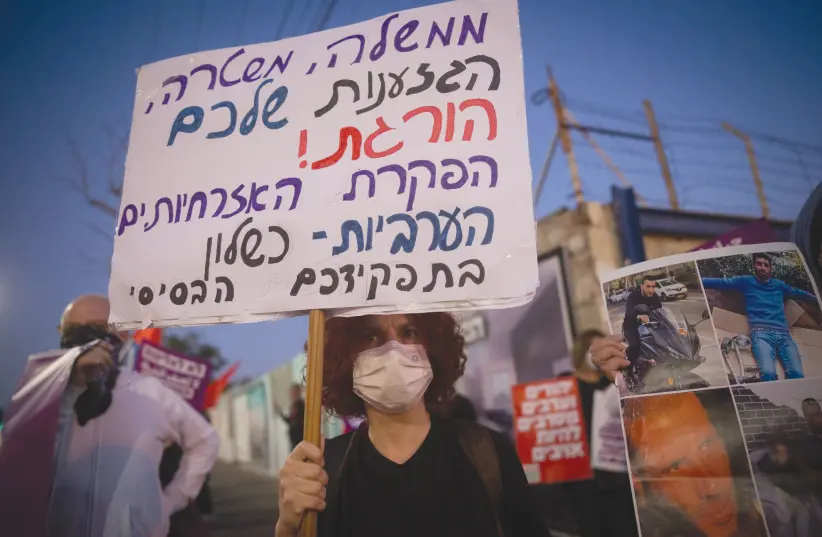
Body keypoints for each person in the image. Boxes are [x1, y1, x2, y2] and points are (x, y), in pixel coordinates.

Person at [275, 313, 550, 537]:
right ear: (344, 358)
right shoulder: (322, 471)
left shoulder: (488, 453)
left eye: (409, 333)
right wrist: (288, 527)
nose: (394, 350)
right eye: (371, 337)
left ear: (433, 348)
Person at [0, 294, 220, 537]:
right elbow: (21, 457)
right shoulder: (43, 392)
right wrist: (70, 384)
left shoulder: (150, 392)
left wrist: (171, 500)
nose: (85, 336)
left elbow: (205, 440)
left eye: (97, 327)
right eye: (73, 329)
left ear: (123, 334)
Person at [622, 391, 767, 537]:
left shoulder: (780, 510)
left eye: (707, 444)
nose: (712, 487)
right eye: (676, 465)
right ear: (641, 486)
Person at [560, 329, 638, 537]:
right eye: (592, 349)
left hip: (617, 477)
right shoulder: (564, 385)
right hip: (583, 482)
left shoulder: (611, 383)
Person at [701, 253, 818, 381]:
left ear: (770, 268)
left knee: (797, 374)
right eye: (759, 264)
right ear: (754, 266)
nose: (762, 267)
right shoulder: (746, 281)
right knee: (768, 374)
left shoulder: (779, 285)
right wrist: (700, 281)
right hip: (761, 334)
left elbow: (799, 293)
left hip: (784, 335)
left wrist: (817, 299)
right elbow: (723, 282)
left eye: (766, 265)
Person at [622, 275, 663, 387]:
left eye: (653, 287)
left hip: (648, 325)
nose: (651, 290)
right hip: (631, 325)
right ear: (642, 286)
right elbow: (629, 311)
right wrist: (639, 315)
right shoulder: (634, 295)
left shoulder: (654, 296)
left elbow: (660, 310)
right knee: (635, 345)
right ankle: (629, 373)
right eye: (648, 286)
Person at [278, 383, 305, 450]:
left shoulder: (301, 406)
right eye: (291, 392)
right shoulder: (293, 406)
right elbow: (290, 421)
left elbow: (299, 423)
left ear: (298, 392)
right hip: (294, 441)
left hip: (300, 441)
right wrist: (280, 413)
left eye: (294, 392)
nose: (292, 395)